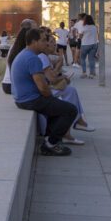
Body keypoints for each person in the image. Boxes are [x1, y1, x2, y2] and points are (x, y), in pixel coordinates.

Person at [10, 28, 78, 157]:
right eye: (42, 40)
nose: (46, 43)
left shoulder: (25, 54)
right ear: (34, 42)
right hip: (30, 100)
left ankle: (49, 139)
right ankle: (50, 144)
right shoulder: (32, 59)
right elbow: (42, 87)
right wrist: (50, 97)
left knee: (57, 108)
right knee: (70, 110)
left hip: (22, 99)